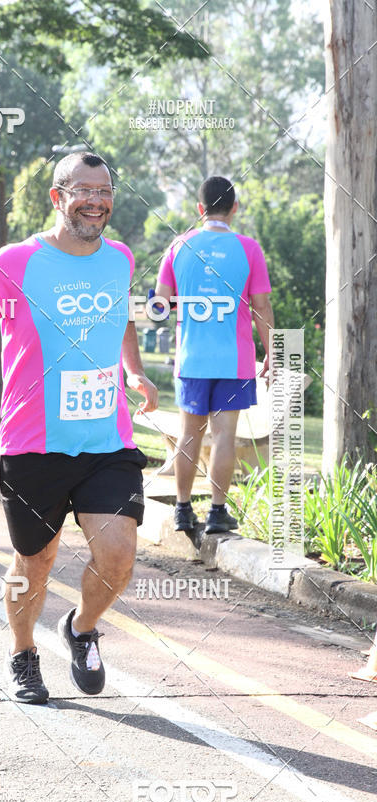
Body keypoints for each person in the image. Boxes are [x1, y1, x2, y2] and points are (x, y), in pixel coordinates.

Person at [0, 152, 158, 704]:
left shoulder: (121, 259)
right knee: (34, 561)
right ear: (57, 197)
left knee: (118, 554)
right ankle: (23, 653)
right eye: (83, 190)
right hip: (34, 443)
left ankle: (82, 628)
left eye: (104, 190)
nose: (96, 199)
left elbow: (124, 317)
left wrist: (133, 372)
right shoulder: (16, 261)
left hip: (107, 441)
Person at [155, 176, 274, 534]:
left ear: (199, 209)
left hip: (191, 358)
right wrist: (272, 353)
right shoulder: (249, 249)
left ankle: (181, 510)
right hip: (234, 360)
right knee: (225, 436)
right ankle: (217, 513)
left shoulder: (178, 246)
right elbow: (261, 307)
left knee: (189, 434)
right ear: (235, 208)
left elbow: (160, 305)